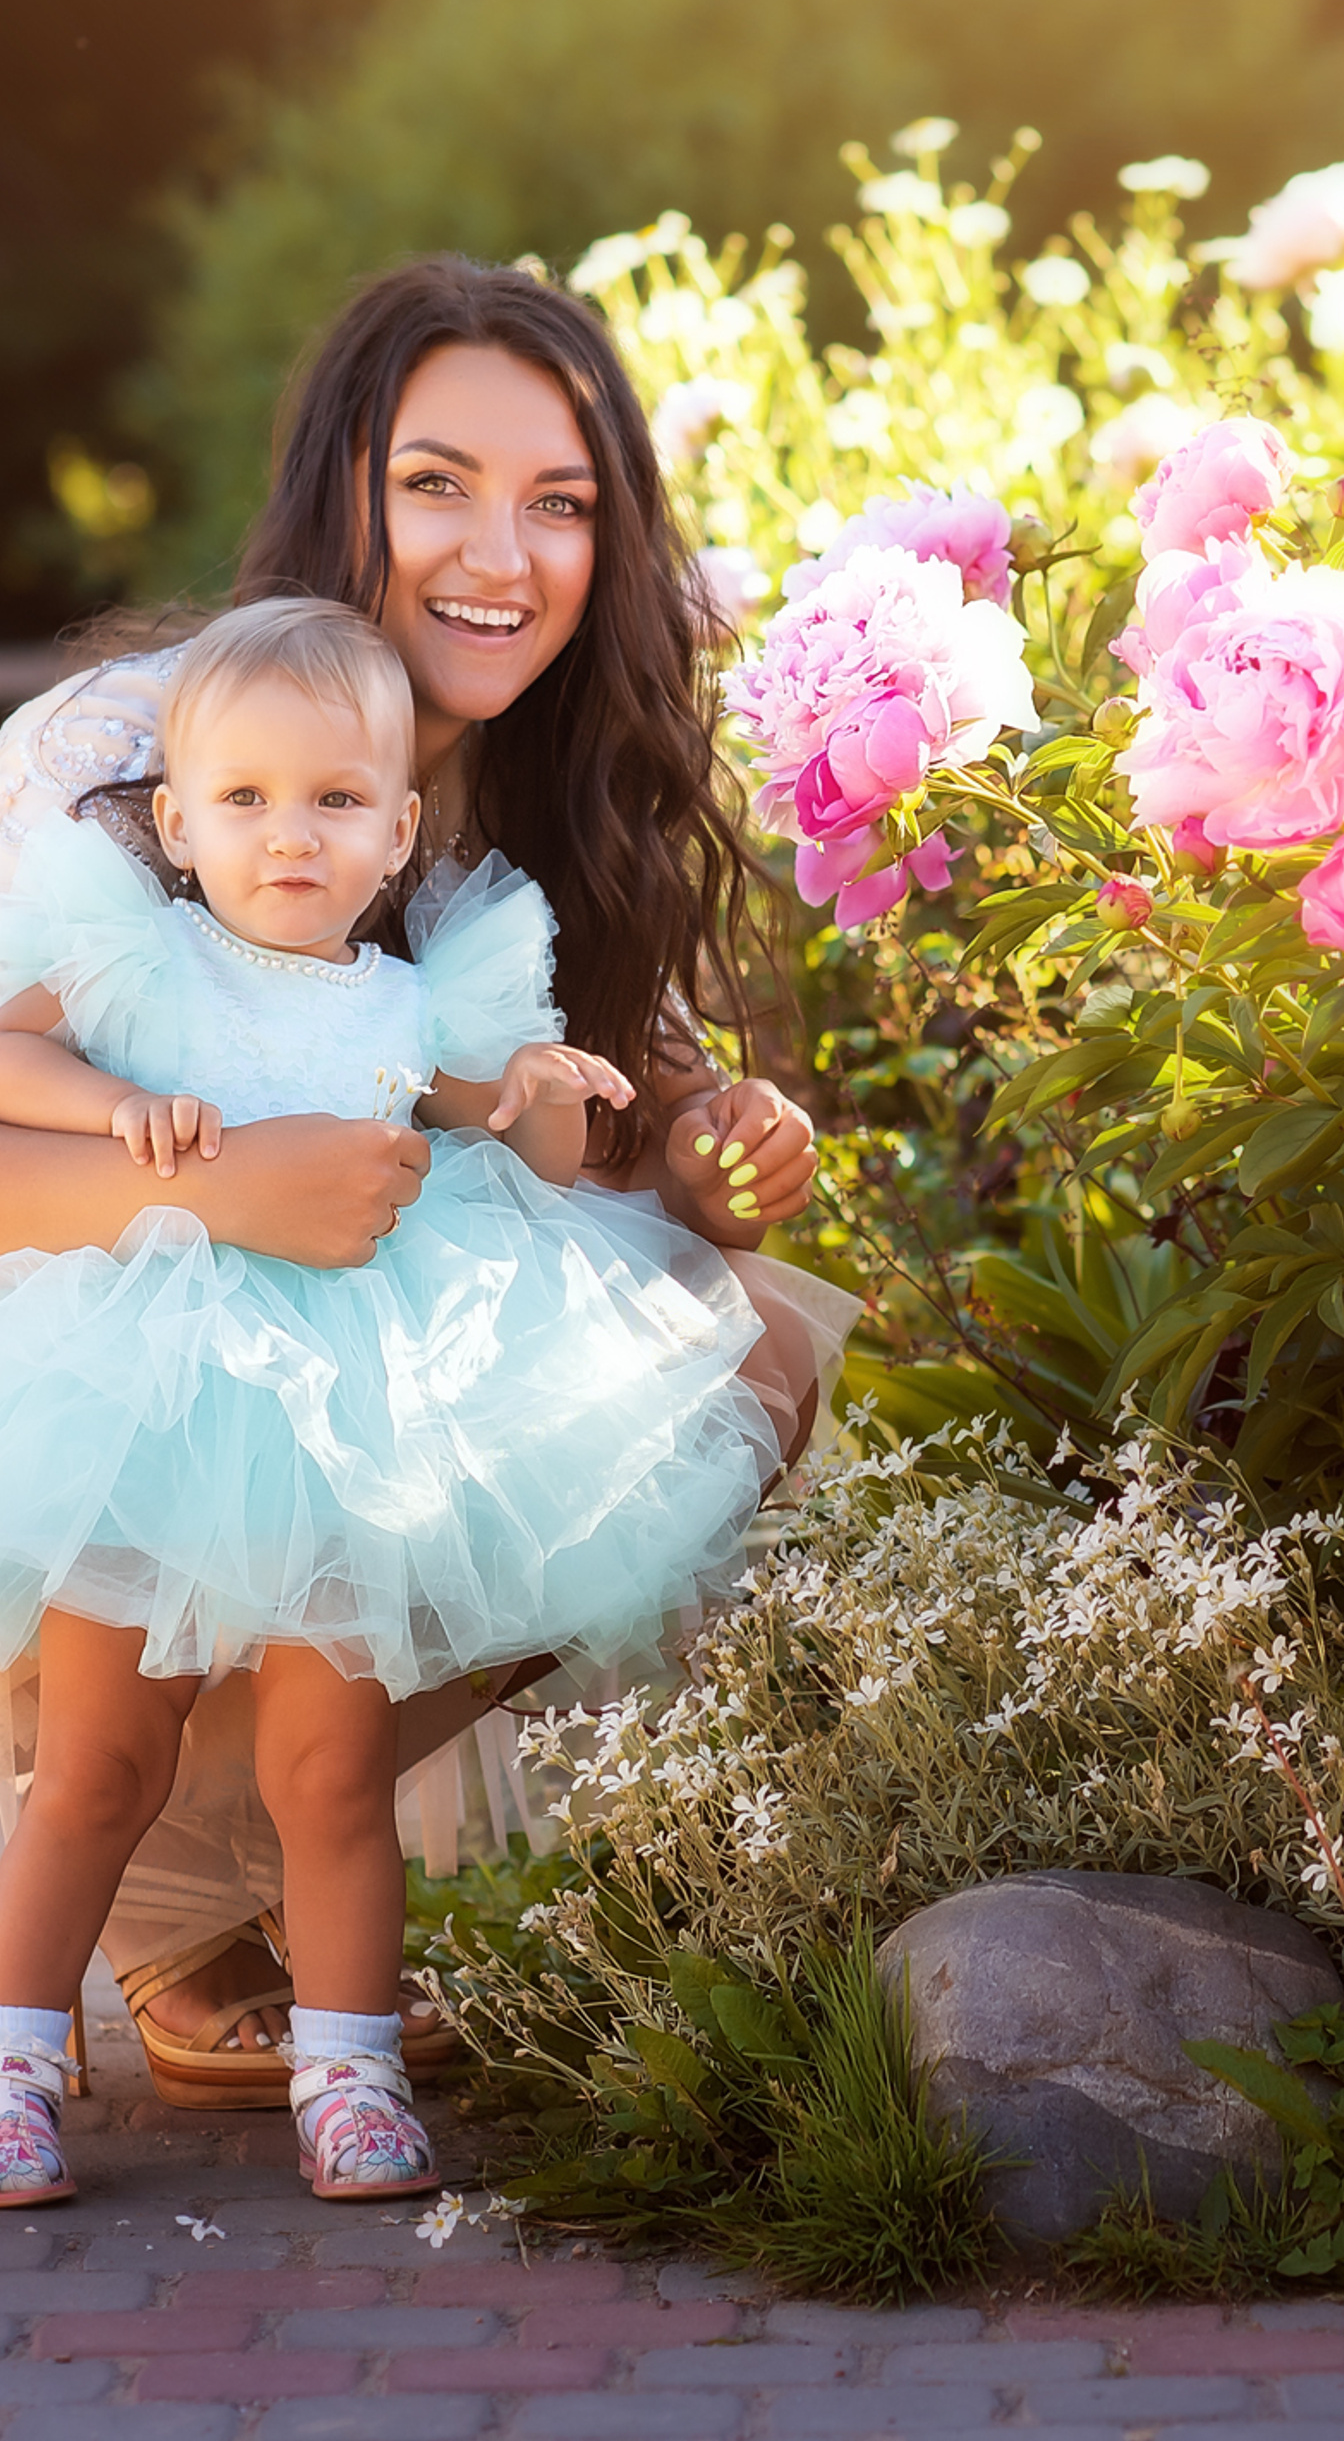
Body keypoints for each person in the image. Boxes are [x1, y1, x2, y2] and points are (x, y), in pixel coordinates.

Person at [0, 257, 852, 2108]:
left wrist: (702, 1161)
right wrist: (215, 1190)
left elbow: (569, 1126)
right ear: (345, 490)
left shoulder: (548, 790)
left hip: (331, 1340)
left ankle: (255, 1863)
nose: (503, 550)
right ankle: (135, 1882)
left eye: (562, 503)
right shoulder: (144, 752)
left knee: (730, 1347)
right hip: (79, 1331)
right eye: (439, 482)